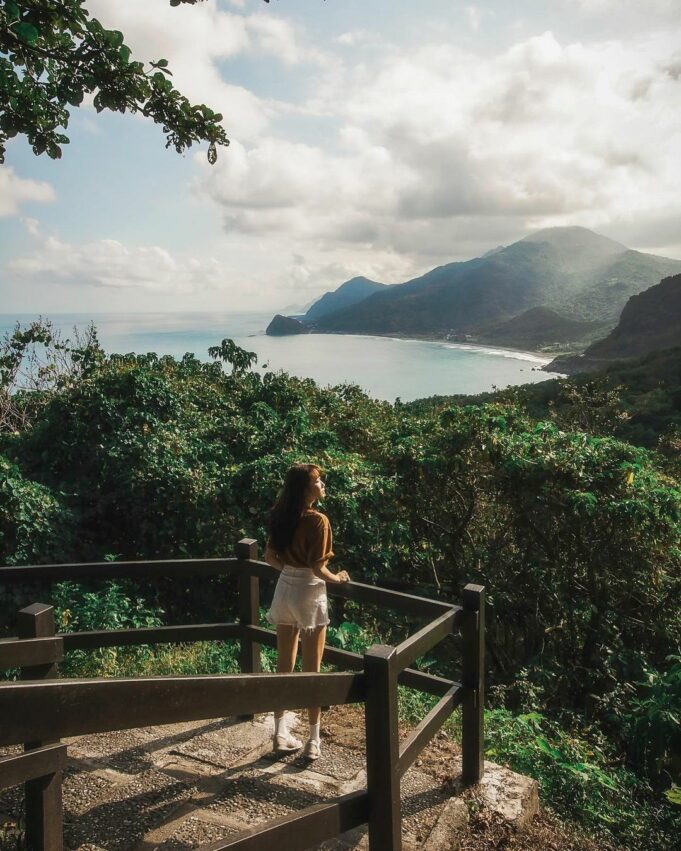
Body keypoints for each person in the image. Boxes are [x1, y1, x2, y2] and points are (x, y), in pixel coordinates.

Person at [265, 463, 350, 760]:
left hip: (285, 590)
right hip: (309, 593)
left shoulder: (280, 515)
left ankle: (279, 734)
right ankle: (313, 740)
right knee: (312, 669)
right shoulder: (319, 521)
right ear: (304, 489)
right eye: (317, 481)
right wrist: (338, 578)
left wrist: (290, 571)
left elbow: (270, 557)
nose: (322, 484)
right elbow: (318, 568)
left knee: (283, 667)